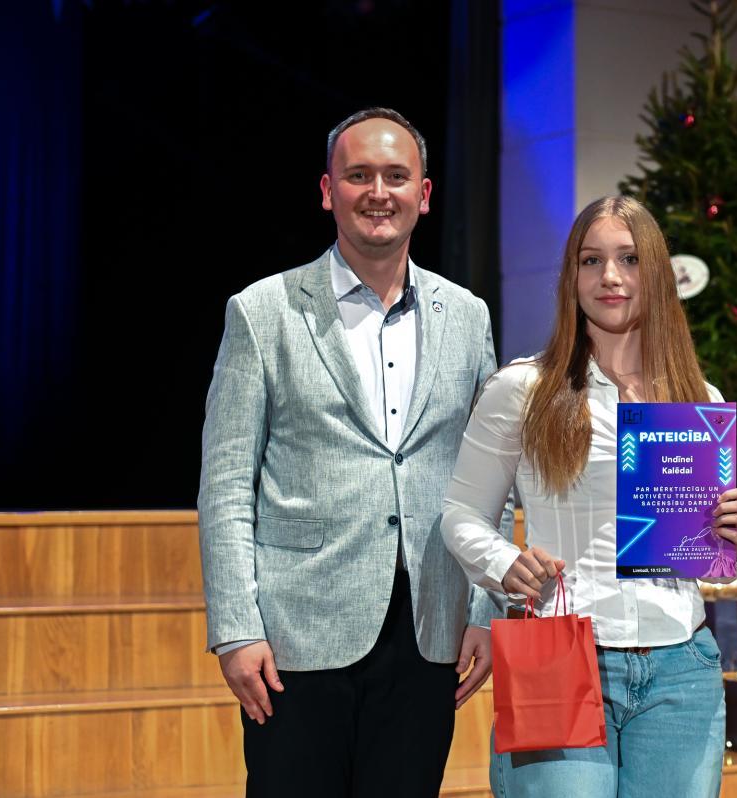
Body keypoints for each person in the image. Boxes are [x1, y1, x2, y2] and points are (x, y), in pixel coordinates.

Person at [198, 107, 508, 796]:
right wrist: (236, 629)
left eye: (396, 176)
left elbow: (491, 479)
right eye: (359, 175)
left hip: (430, 628)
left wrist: (487, 611)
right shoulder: (262, 311)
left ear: (424, 194)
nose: (378, 192)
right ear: (327, 190)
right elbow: (225, 486)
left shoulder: (468, 316)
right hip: (296, 635)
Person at [440, 196, 737, 797]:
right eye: (592, 260)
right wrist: (506, 563)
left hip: (682, 667)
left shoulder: (699, 399)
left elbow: (722, 559)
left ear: (655, 273)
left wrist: (736, 538)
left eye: (629, 259)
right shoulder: (522, 389)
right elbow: (461, 514)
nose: (610, 276)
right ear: (571, 276)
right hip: (562, 656)